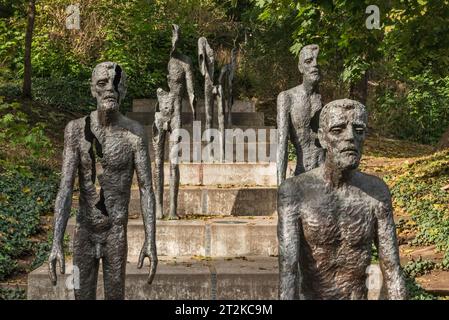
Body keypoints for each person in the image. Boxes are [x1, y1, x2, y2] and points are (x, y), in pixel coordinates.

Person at [48, 62, 157, 300]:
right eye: (102, 83)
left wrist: (151, 240)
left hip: (115, 233)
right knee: (81, 296)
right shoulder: (75, 130)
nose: (110, 88)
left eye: (116, 83)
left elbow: (147, 189)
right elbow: (65, 188)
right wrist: (56, 241)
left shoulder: (134, 134)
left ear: (123, 90)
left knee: (115, 295)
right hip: (84, 232)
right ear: (92, 89)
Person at [277, 99, 407, 300]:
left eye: (359, 130)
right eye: (338, 130)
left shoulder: (376, 192)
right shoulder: (295, 191)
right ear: (322, 138)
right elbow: (288, 270)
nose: (350, 137)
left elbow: (392, 270)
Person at [277, 44, 324, 185]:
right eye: (309, 61)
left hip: (325, 174)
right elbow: (282, 144)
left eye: (317, 61)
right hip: (302, 172)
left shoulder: (323, 100)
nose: (315, 65)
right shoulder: (287, 97)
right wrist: (280, 184)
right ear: (300, 67)